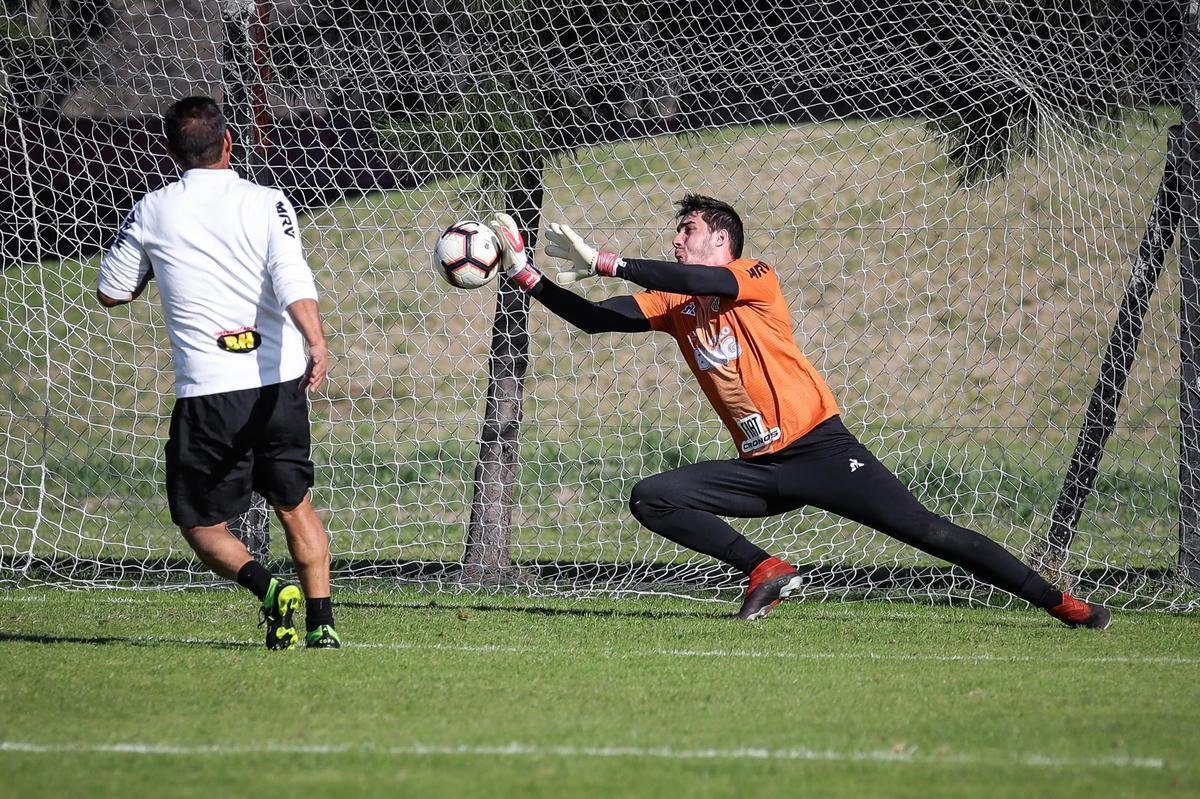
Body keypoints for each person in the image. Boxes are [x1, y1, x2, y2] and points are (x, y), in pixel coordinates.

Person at [490, 195, 1110, 627]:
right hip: (761, 468)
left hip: (822, 452)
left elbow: (714, 285)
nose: (678, 239)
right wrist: (526, 274)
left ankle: (1059, 602)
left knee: (928, 533)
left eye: (690, 231)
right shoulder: (674, 303)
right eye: (677, 234)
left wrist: (608, 261)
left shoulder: (754, 276)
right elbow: (595, 318)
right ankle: (766, 569)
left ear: (722, 239)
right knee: (653, 497)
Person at [96, 96, 341, 649]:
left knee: (202, 525)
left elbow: (111, 291)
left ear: (169, 150)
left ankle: (269, 586)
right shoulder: (269, 202)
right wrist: (316, 339)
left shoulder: (153, 209)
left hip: (209, 394)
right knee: (295, 504)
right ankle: (322, 624)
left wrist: (156, 267)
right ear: (228, 143)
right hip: (280, 386)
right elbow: (289, 272)